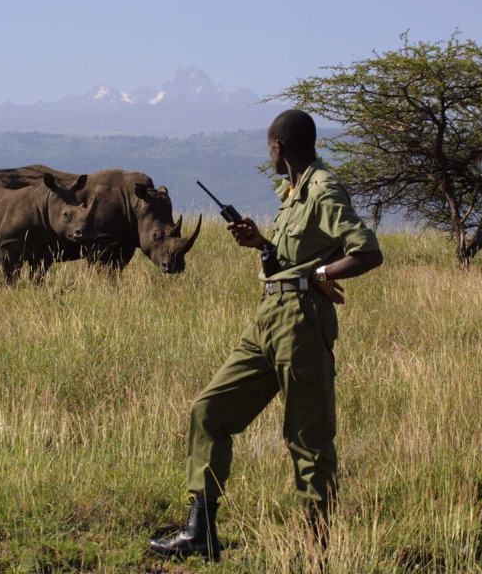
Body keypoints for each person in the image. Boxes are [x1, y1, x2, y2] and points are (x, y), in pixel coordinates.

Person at [149, 109, 383, 562]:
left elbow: (367, 252)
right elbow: (291, 256)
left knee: (306, 436)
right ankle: (200, 532)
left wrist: (320, 273)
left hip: (301, 321)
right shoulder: (293, 193)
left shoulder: (323, 187)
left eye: (268, 147)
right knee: (209, 410)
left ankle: (315, 550)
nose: (268, 153)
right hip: (268, 316)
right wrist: (261, 244)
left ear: (277, 147)